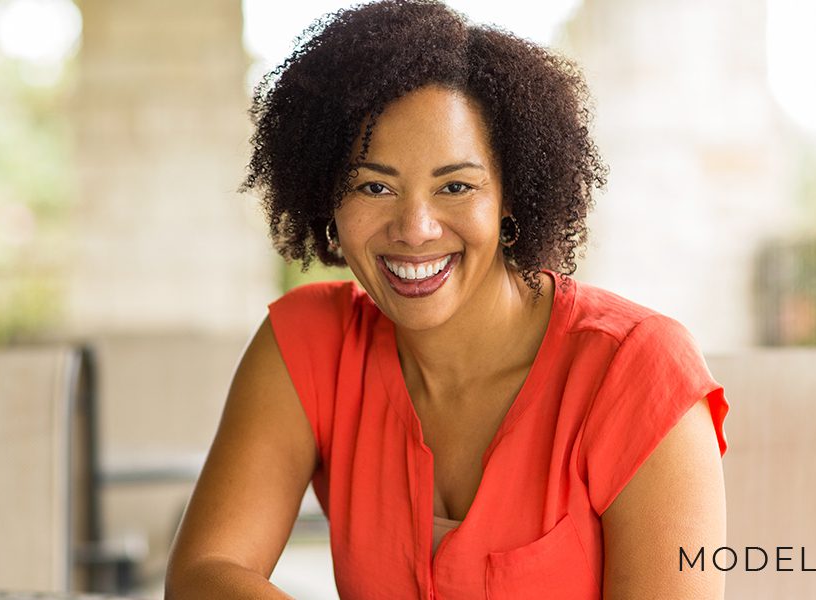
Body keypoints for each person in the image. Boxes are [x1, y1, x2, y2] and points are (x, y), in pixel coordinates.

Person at [165, 1, 729, 598]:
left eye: (455, 186)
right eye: (373, 185)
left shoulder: (637, 371)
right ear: (327, 198)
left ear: (511, 196)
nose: (414, 228)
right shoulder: (310, 345)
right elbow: (204, 574)